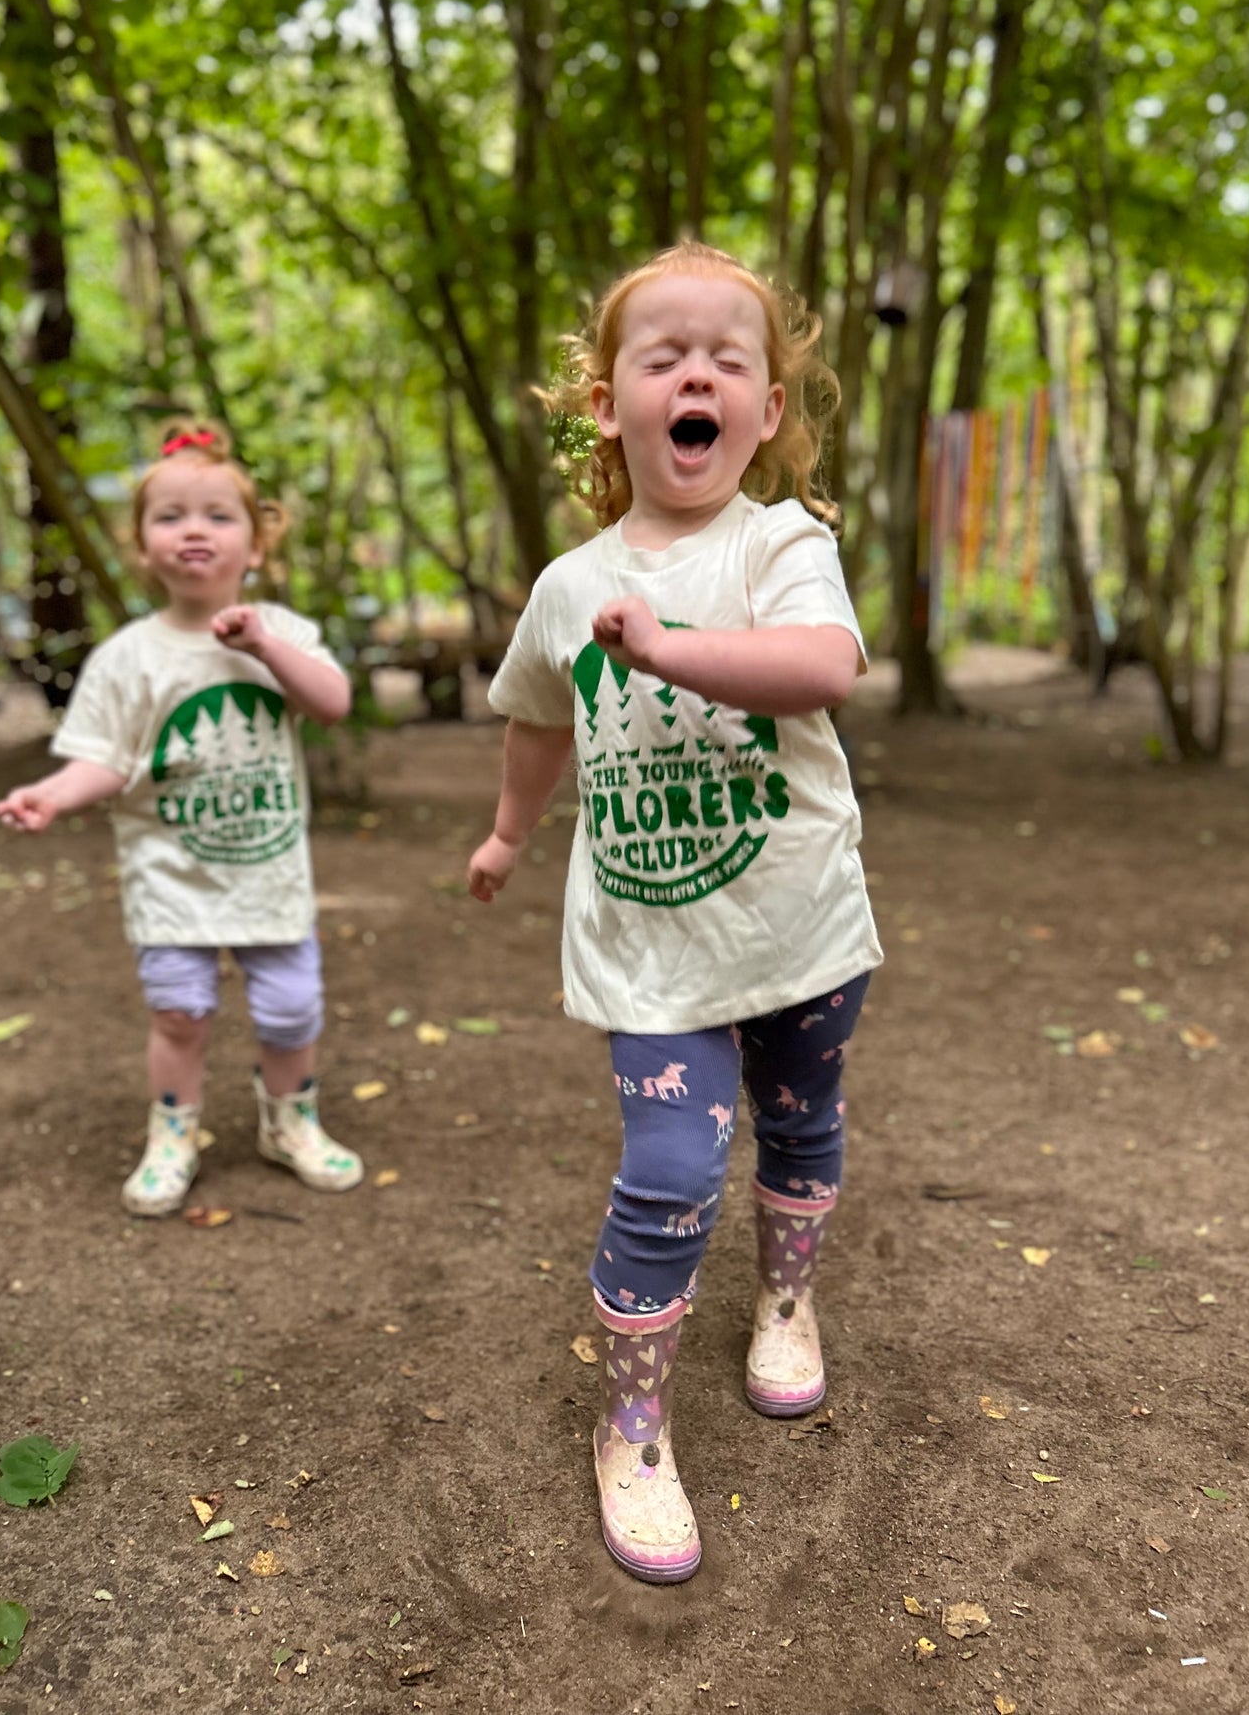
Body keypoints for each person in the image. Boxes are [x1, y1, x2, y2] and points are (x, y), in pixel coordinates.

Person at [467, 242, 882, 1585]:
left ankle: (783, 1298)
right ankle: (633, 1420)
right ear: (609, 404)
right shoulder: (564, 586)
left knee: (802, 1121)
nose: (696, 371)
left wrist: (666, 647)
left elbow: (821, 667)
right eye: (663, 355)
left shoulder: (783, 540)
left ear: (764, 412)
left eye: (730, 357)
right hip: (650, 946)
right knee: (668, 1171)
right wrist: (508, 830)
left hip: (803, 929)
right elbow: (538, 720)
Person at [0, 421, 363, 1215]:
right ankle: (173, 1131)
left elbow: (332, 704)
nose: (194, 529)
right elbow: (106, 757)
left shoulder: (283, 633)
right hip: (171, 879)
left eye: (217, 515)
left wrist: (263, 643)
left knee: (292, 1007)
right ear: (142, 546)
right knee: (178, 1012)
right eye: (170, 516)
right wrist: (51, 794)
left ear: (255, 546)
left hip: (267, 873)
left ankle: (289, 1122)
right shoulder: (127, 656)